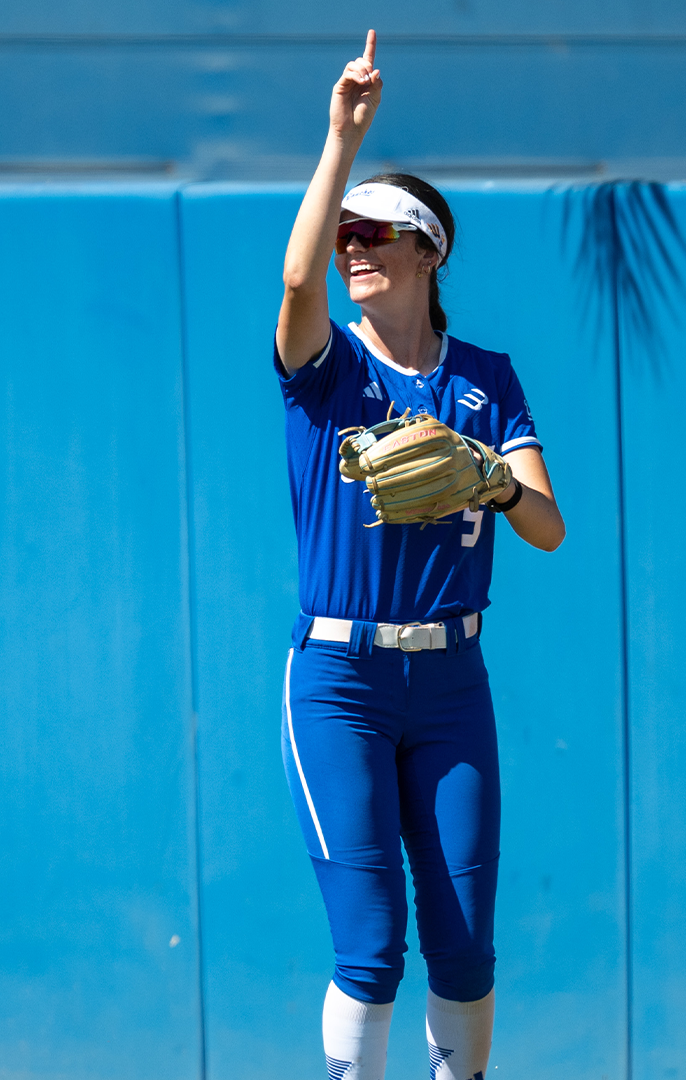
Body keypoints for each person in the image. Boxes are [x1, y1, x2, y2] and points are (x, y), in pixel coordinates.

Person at [272, 29, 566, 1080]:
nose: (354, 245)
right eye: (349, 230)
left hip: (450, 679)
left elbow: (544, 523)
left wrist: (488, 473)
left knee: (465, 942)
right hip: (341, 679)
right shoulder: (328, 366)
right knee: (372, 945)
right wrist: (341, 143)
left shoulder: (483, 380)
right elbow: (299, 277)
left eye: (377, 233)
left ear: (429, 250)